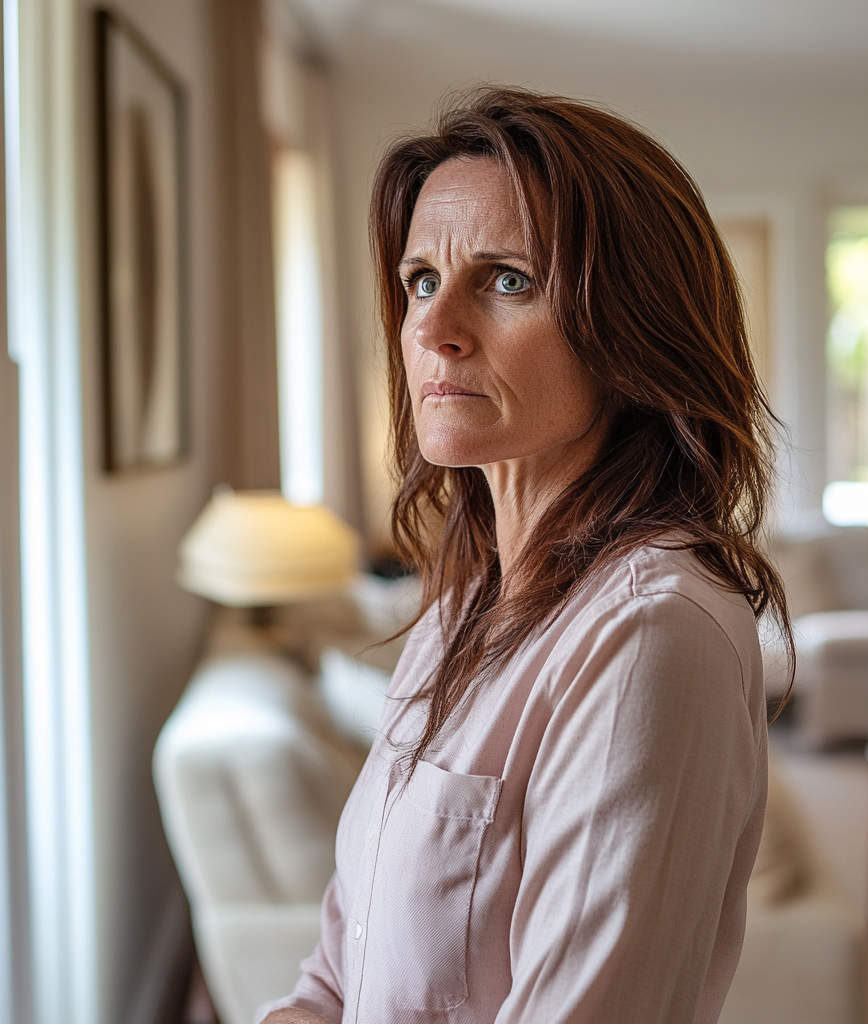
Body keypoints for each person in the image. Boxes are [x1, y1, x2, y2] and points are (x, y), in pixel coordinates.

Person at [259, 87, 790, 1024]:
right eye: (421, 279)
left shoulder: (648, 637)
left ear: (634, 330)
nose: (431, 328)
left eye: (508, 279)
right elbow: (337, 977)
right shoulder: (464, 599)